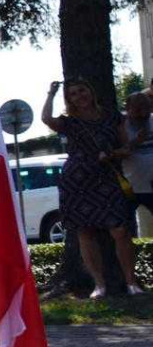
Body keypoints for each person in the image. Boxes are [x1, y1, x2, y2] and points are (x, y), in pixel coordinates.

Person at [42, 78, 144, 298]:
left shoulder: (112, 116)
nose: (80, 96)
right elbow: (46, 119)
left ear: (91, 91)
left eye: (82, 90)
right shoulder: (69, 122)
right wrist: (51, 94)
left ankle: (131, 282)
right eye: (73, 94)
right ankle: (99, 285)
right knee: (85, 232)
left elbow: (126, 148)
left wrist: (112, 154)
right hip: (77, 181)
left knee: (120, 230)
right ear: (69, 100)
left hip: (107, 177)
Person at [124, 89, 153, 237]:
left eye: (146, 108)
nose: (143, 113)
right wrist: (136, 141)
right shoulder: (121, 126)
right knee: (126, 229)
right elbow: (115, 152)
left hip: (151, 184)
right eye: (137, 109)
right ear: (128, 109)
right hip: (129, 187)